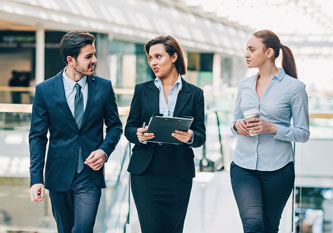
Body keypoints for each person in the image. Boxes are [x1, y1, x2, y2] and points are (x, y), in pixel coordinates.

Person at [29, 31, 123, 233]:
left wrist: (104, 151)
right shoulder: (45, 90)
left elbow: (115, 126)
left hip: (89, 175)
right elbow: (37, 137)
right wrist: (36, 178)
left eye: (94, 54)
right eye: (88, 56)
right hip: (58, 174)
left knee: (82, 228)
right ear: (71, 60)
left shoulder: (104, 88)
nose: (95, 60)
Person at [230, 30, 310, 233]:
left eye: (251, 49)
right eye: (246, 49)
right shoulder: (245, 85)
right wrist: (237, 125)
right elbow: (233, 121)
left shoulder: (295, 88)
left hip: (278, 169)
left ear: (269, 52)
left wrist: (273, 128)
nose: (246, 54)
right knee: (253, 225)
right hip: (243, 166)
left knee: (269, 227)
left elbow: (303, 133)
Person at [125, 35, 206, 233]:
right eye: (150, 58)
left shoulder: (195, 93)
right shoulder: (142, 90)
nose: (153, 62)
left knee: (173, 229)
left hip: (178, 172)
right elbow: (129, 128)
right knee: (150, 228)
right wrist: (138, 134)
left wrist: (190, 137)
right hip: (146, 172)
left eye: (158, 56)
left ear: (174, 57)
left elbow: (201, 135)